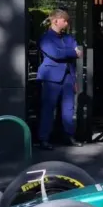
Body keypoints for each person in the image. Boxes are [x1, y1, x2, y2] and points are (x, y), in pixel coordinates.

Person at [37, 9, 82, 148]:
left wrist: (74, 80)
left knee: (69, 109)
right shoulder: (45, 38)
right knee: (48, 109)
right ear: (56, 21)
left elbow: (79, 51)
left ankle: (69, 136)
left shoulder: (68, 38)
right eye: (65, 20)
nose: (67, 23)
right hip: (51, 78)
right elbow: (56, 54)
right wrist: (71, 52)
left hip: (68, 78)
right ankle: (44, 139)